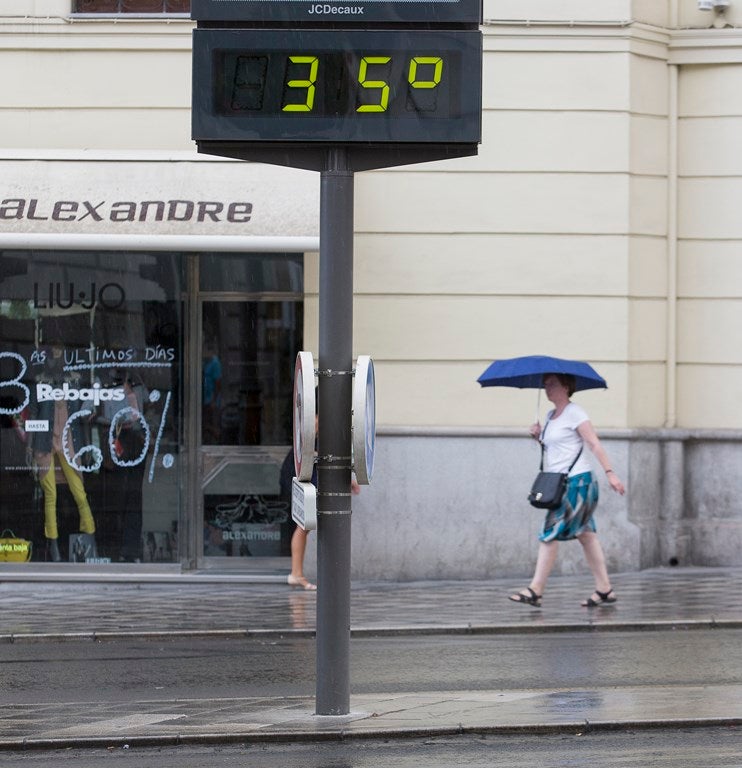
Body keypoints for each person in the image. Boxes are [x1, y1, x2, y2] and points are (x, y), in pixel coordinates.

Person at [508, 373, 626, 609]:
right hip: (561, 482)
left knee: (550, 532)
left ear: (566, 386)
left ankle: (535, 590)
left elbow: (593, 443)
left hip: (578, 482)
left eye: (551, 384)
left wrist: (610, 473)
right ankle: (605, 589)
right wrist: (538, 437)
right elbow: (557, 449)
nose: (547, 388)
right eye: (545, 384)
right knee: (586, 534)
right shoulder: (550, 416)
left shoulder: (575, 413)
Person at [280, 410, 360, 591]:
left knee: (305, 526)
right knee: (303, 526)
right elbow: (315, 456)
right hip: (303, 480)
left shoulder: (314, 434)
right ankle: (296, 574)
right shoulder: (309, 434)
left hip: (305, 479)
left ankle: (297, 573)